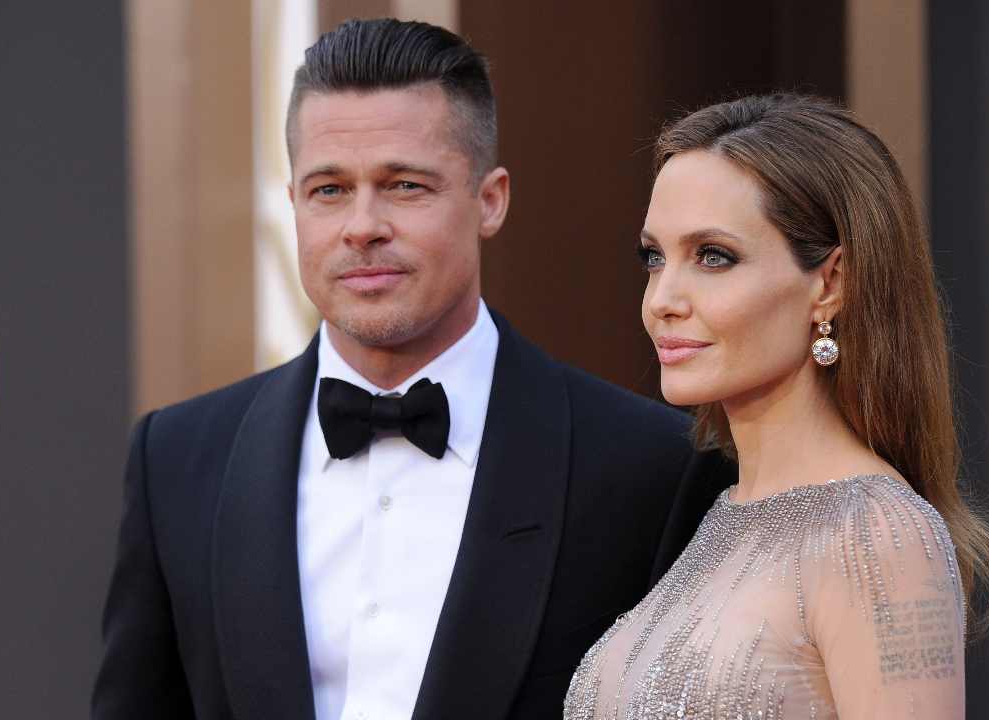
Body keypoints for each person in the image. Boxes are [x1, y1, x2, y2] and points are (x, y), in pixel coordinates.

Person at [91, 18, 732, 720]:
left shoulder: (649, 468)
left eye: (403, 185)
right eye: (329, 190)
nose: (362, 225)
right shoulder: (176, 460)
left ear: (490, 201)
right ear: (293, 203)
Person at [563, 94, 989, 719]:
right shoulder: (721, 517)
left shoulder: (879, 534)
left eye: (713, 257)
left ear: (830, 283)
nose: (662, 299)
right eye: (654, 257)